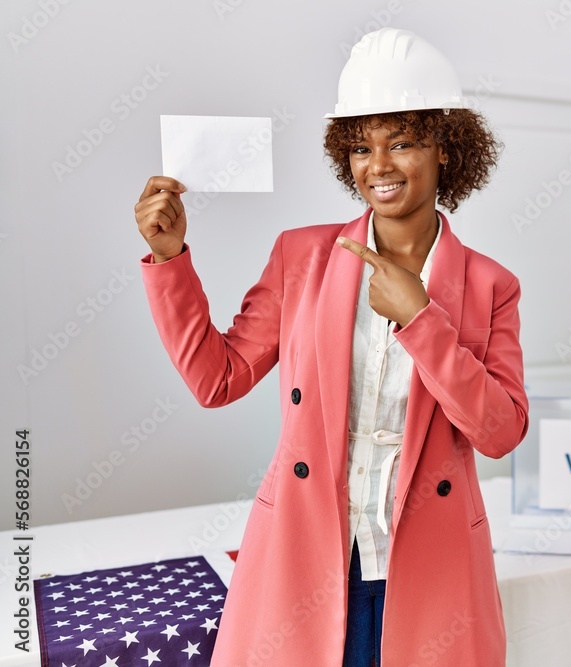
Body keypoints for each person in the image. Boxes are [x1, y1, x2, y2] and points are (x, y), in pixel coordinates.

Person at [133, 28, 527, 667]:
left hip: (429, 568)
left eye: (402, 141)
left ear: (448, 150)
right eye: (362, 146)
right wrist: (171, 259)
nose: (379, 165)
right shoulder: (302, 256)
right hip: (306, 560)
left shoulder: (490, 285)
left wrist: (422, 319)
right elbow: (217, 379)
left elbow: (500, 430)